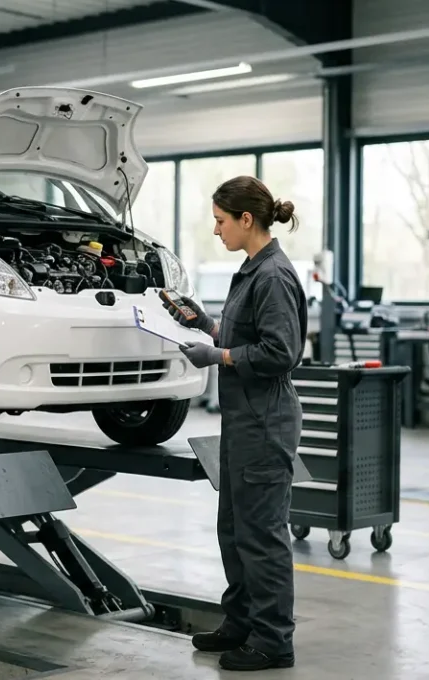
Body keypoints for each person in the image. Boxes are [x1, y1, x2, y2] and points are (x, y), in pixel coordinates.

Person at [161, 175, 305, 672]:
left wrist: (216, 355)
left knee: (262, 533)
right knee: (234, 529)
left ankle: (273, 640)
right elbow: (244, 332)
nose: (216, 230)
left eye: (221, 222)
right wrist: (201, 322)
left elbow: (281, 353)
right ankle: (240, 621)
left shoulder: (273, 276)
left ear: (247, 220)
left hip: (265, 421)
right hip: (243, 420)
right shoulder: (251, 270)